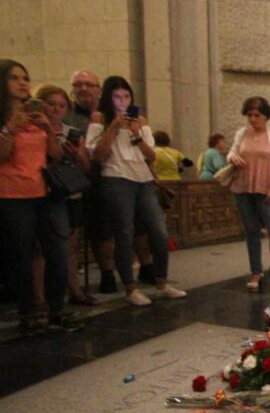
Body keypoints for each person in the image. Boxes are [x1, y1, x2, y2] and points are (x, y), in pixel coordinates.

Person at [87, 75, 187, 306]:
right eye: (117, 96)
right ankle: (130, 288)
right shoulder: (99, 118)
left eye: (126, 96)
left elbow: (151, 155)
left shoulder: (140, 120)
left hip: (143, 179)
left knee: (159, 232)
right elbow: (98, 155)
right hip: (115, 178)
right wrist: (113, 126)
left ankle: (161, 282)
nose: (122, 101)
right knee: (124, 232)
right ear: (108, 98)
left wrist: (136, 134)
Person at [0, 59, 82, 334]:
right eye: (14, 77)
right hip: (12, 194)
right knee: (21, 257)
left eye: (25, 77)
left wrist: (47, 129)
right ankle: (28, 313)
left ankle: (56, 310)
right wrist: (11, 128)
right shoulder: (5, 118)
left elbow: (55, 156)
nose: (22, 82)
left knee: (57, 252)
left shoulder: (34, 114)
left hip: (44, 192)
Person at [34, 84, 96, 307]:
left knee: (71, 245)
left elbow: (85, 167)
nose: (55, 109)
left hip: (70, 190)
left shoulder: (72, 131)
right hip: (44, 190)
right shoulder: (33, 129)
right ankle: (40, 299)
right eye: (51, 104)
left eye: (61, 105)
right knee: (41, 249)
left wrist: (78, 153)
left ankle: (75, 290)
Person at [227, 96, 270, 291]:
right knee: (252, 231)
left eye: (257, 115)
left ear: (265, 115)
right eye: (250, 115)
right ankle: (256, 271)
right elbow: (231, 152)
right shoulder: (242, 133)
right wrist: (233, 157)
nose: (253, 119)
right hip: (243, 187)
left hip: (268, 188)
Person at [64, 70, 118, 294]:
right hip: (79, 180)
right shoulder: (68, 116)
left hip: (110, 178)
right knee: (75, 235)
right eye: (78, 84)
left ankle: (108, 272)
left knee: (105, 230)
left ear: (99, 89)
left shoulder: (111, 115)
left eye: (89, 84)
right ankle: (72, 284)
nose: (83, 88)